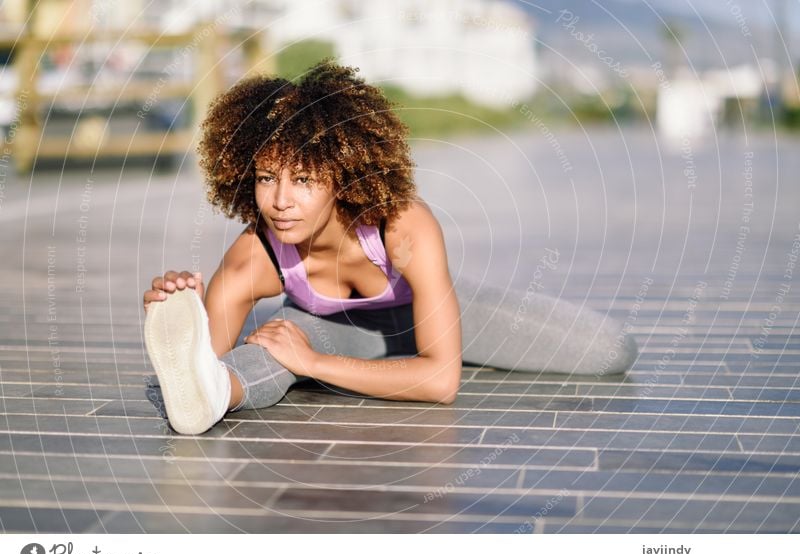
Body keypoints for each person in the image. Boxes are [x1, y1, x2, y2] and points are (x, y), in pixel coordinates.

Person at [142, 59, 638, 435]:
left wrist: (313, 365)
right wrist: (179, 312)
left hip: (425, 320)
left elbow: (442, 383)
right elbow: (205, 356)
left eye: (304, 179)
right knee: (278, 342)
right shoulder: (253, 257)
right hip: (334, 332)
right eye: (266, 178)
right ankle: (208, 404)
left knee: (610, 349)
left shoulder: (401, 227)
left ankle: (323, 359)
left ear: (343, 174)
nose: (279, 201)